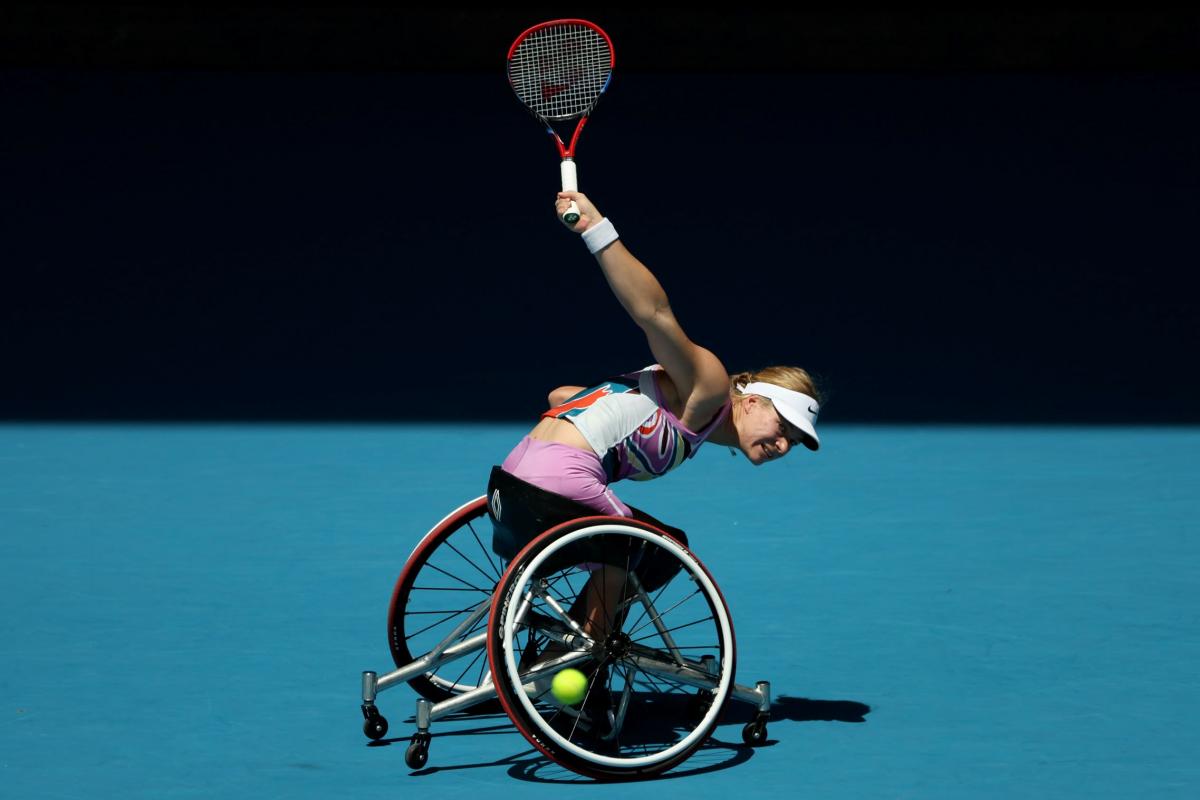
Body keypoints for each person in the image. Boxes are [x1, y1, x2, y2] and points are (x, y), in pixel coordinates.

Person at [486, 190, 824, 654]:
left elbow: (561, 398)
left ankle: (564, 648)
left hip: (512, 480)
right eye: (783, 427)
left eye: (794, 443)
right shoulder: (706, 385)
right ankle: (580, 660)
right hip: (558, 482)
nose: (783, 445)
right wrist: (596, 230)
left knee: (653, 544)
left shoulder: (688, 414)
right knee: (651, 548)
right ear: (752, 399)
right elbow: (654, 313)